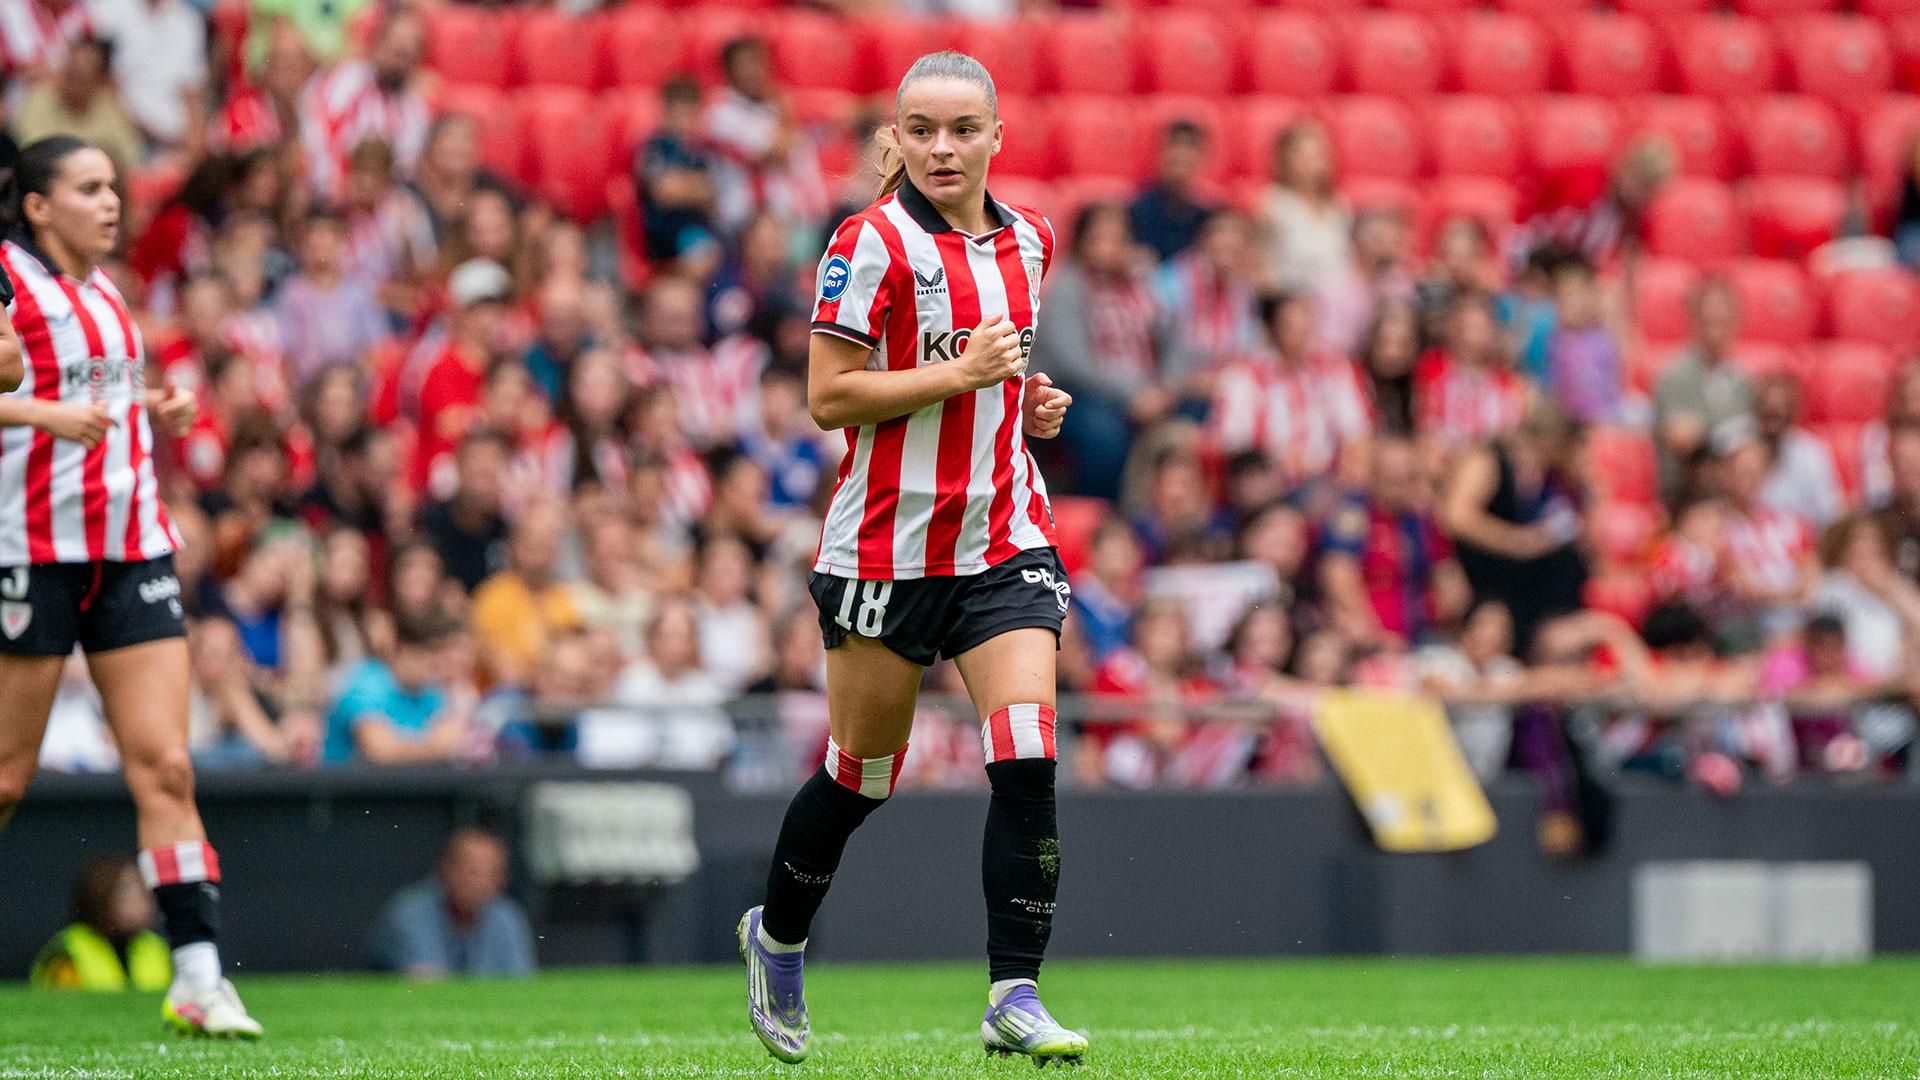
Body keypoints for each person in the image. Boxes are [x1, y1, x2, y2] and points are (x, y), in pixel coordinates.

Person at [737, 51, 1086, 1066]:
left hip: (1003, 538)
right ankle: (779, 937)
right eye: (922, 130)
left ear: (996, 137)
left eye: (963, 129)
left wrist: (1026, 402)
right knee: (862, 775)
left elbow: (996, 373)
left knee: (1025, 753)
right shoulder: (869, 242)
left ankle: (1014, 993)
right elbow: (829, 396)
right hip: (885, 551)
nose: (943, 148)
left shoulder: (1032, 239)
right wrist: (959, 376)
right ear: (896, 137)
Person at [0, 137, 259, 1037]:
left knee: (168, 765)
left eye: (113, 186)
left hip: (131, 548)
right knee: (6, 778)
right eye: (89, 188)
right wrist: (36, 411)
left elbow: (99, 396)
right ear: (38, 206)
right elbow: (38, 396)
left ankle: (198, 979)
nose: (111, 202)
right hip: (32, 551)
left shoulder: (109, 293)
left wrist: (156, 405)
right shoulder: (7, 280)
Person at [1440, 399, 1589, 657]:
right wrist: (1517, 541)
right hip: (1485, 585)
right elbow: (1456, 517)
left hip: (1528, 589)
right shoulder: (1488, 460)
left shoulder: (1550, 476)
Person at [367, 828, 535, 979]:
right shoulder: (409, 913)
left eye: (490, 873)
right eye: (471, 871)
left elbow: (520, 985)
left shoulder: (507, 916)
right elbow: (427, 985)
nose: (478, 882)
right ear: (445, 867)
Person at [1653, 277, 1751, 504]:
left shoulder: (1743, 382)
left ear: (1736, 323)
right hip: (1687, 496)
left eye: (1722, 322)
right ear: (1693, 321)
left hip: (1732, 495)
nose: (1714, 332)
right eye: (1707, 321)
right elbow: (1681, 436)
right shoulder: (1674, 378)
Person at [31, 857, 171, 990]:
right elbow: (59, 1003)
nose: (143, 901)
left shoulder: (154, 945)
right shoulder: (70, 949)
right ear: (102, 896)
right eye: (128, 891)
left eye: (144, 891)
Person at [1128, 119, 1216, 263]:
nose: (1181, 154)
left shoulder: (1208, 216)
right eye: (1174, 145)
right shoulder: (1136, 211)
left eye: (1190, 147)